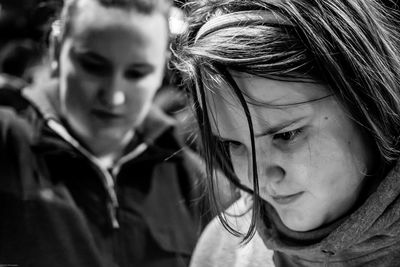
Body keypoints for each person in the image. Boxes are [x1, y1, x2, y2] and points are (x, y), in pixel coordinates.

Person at [172, 0, 400, 266]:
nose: (257, 178)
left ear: (370, 106)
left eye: (286, 135)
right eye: (233, 143)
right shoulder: (223, 250)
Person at [0, 0, 208, 266]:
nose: (113, 96)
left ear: (162, 71)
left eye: (136, 73)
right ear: (56, 51)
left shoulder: (192, 177)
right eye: (94, 66)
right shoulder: (7, 144)